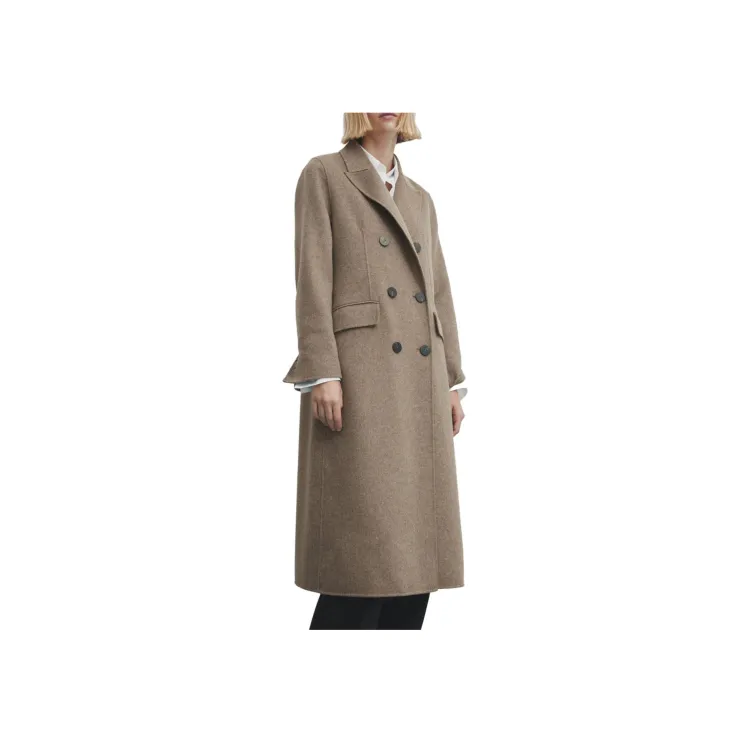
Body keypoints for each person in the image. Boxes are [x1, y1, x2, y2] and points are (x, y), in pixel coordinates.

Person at [283, 113, 468, 629]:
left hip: (420, 385)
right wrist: (322, 370)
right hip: (361, 379)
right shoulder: (324, 174)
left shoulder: (420, 199)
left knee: (415, 573)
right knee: (361, 570)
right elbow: (312, 277)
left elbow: (439, 291)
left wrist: (450, 380)